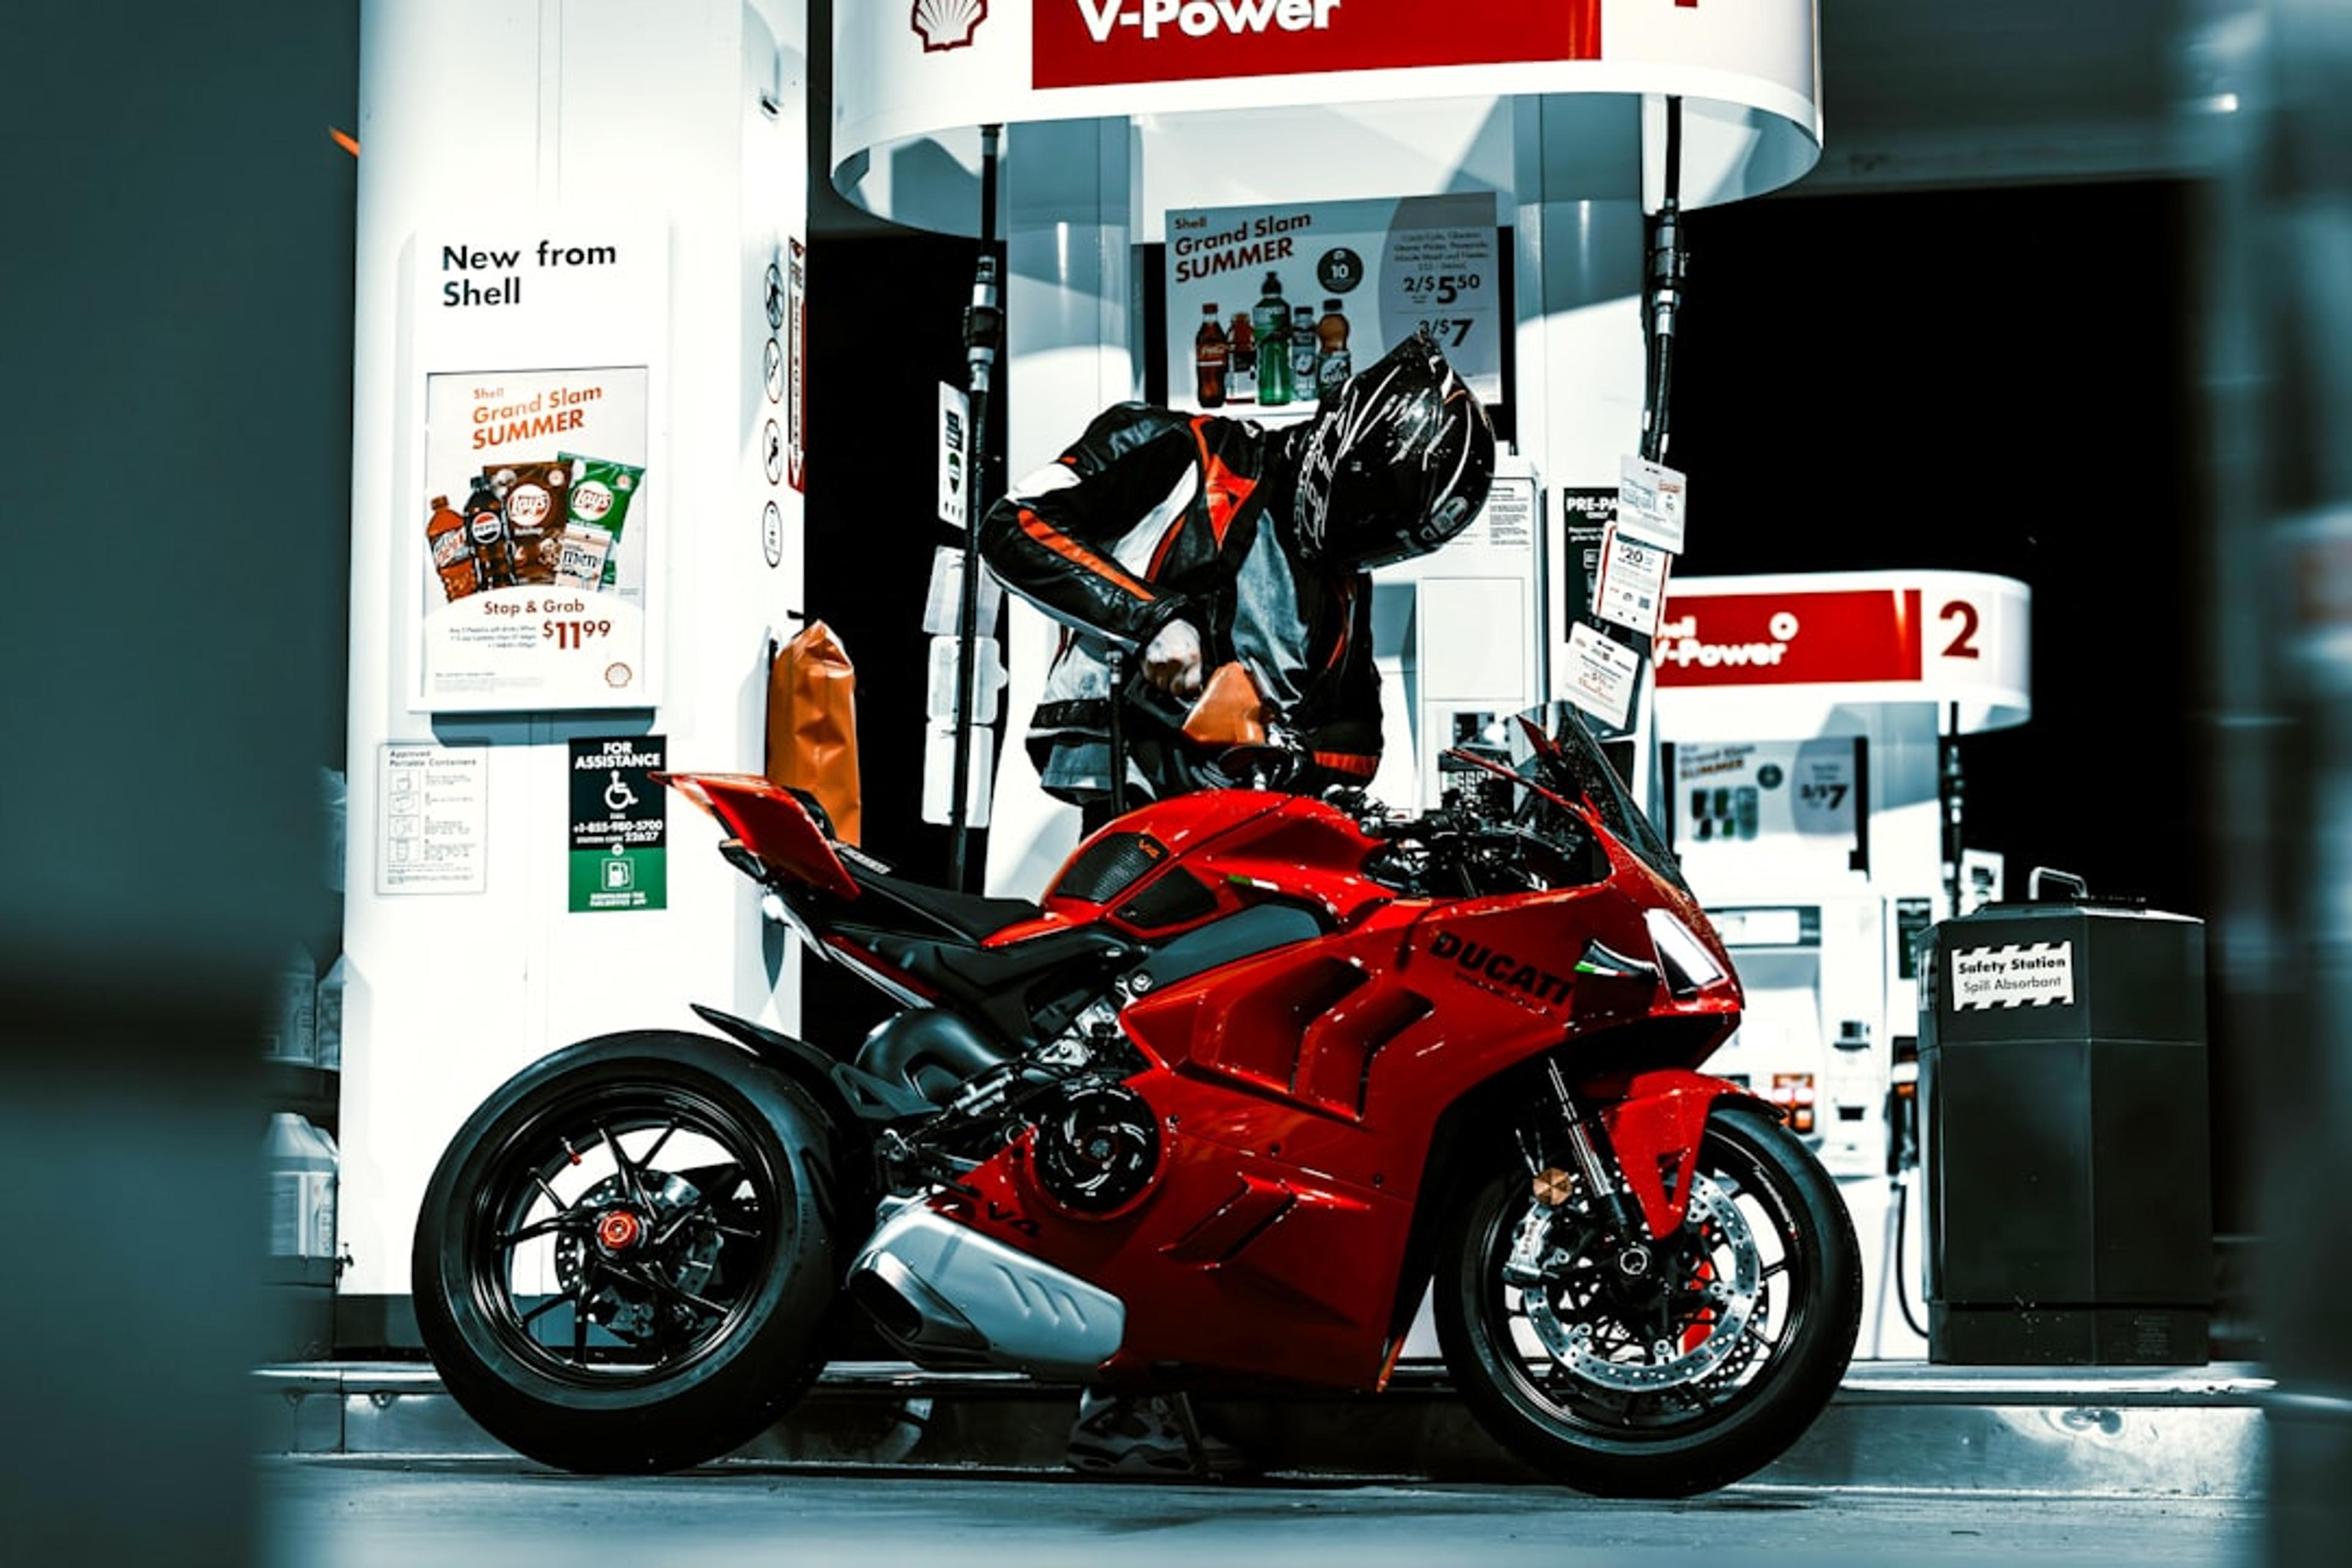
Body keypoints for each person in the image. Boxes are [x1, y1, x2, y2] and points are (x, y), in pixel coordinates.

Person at [977, 328, 1496, 1477]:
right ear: (1344, 456)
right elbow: (1013, 529)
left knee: (1241, 1109)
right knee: (1129, 1090)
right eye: (1367, 523)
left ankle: (1217, 1358)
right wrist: (1151, 624)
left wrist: (1388, 842)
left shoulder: (1344, 592)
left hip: (1241, 861)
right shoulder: (1182, 452)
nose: (1363, 550)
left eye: (1385, 545)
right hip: (1133, 811)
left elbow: (1346, 748)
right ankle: (1118, 1400)